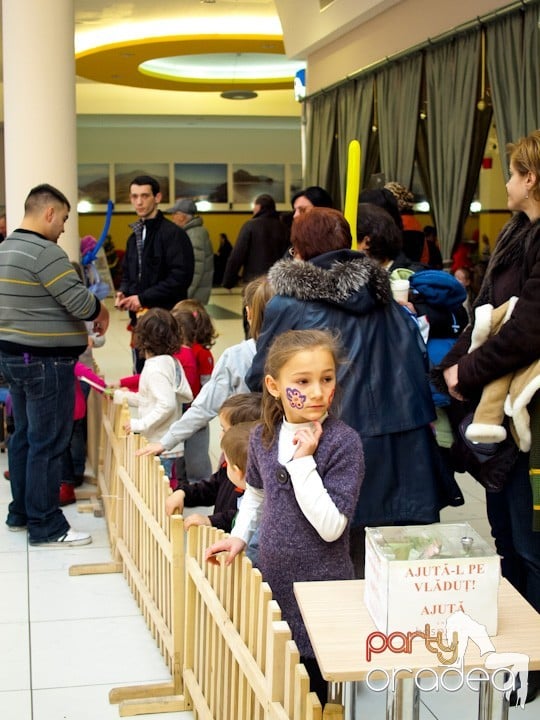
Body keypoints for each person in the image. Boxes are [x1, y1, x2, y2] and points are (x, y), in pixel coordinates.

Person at [247, 207, 455, 577]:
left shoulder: (288, 303)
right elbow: (416, 362)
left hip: (329, 443)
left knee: (334, 563)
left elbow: (261, 375)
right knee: (392, 567)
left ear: (298, 249)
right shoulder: (386, 298)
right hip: (402, 447)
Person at [205, 329, 364, 704]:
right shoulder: (263, 436)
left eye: (326, 379)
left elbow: (331, 527)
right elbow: (257, 493)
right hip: (276, 578)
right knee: (278, 675)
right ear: (274, 386)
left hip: (322, 587)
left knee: (315, 687)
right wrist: (240, 536)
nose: (317, 391)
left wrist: (302, 462)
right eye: (302, 381)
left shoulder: (342, 443)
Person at [438, 129, 540, 704]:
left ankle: (533, 666)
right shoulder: (516, 234)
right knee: (504, 537)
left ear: (531, 178)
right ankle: (515, 660)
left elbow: (526, 328)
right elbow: (484, 316)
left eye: (512, 171)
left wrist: (467, 372)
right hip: (500, 415)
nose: (503, 181)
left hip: (530, 412)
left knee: (529, 545)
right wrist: (451, 369)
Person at [0, 183, 109, 546]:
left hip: (15, 358)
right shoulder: (44, 252)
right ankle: (46, 524)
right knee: (47, 443)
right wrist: (101, 311)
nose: (63, 227)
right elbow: (79, 301)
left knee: (23, 439)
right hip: (46, 363)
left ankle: (21, 512)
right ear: (48, 213)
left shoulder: (6, 247)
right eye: (62, 218)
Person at [137, 275, 274, 461]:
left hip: (241, 453)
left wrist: (165, 441)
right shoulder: (297, 352)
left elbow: (205, 407)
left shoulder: (235, 356)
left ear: (248, 313)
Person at [115, 175, 195, 372]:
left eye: (144, 196)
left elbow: (180, 278)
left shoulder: (174, 235)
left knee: (165, 377)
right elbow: (128, 272)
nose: (139, 202)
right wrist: (124, 292)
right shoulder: (133, 236)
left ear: (157, 197)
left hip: (166, 322)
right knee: (141, 374)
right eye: (134, 196)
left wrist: (142, 298)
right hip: (140, 324)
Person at [165, 393, 262, 531]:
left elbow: (242, 517)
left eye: (225, 429)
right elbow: (210, 488)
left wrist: (211, 521)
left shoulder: (256, 481)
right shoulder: (228, 466)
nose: (221, 435)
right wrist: (183, 492)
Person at [114, 308, 193, 478]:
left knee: (161, 497)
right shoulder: (169, 361)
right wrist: (125, 397)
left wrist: (140, 424)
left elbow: (167, 404)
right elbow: (150, 399)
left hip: (161, 446)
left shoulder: (156, 368)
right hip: (168, 445)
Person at [170, 300, 216, 482]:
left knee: (196, 452)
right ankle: (182, 483)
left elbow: (207, 385)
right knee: (180, 449)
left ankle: (199, 483)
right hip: (185, 408)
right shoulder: (178, 351)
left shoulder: (200, 353)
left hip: (195, 410)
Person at [222, 193, 289, 289]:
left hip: (253, 282)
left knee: (252, 304)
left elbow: (237, 255)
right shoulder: (284, 228)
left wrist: (228, 282)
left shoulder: (250, 225)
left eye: (254, 206)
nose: (253, 210)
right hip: (277, 283)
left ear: (259, 207)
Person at [166, 198, 214, 305]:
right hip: (194, 295)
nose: (172, 218)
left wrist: (184, 296)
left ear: (182, 217)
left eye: (174, 214)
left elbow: (196, 270)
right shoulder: (192, 232)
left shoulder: (194, 235)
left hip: (193, 297)